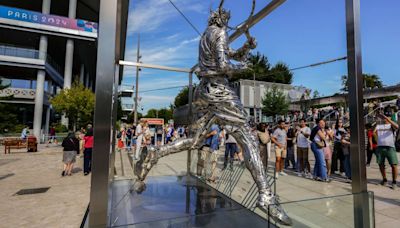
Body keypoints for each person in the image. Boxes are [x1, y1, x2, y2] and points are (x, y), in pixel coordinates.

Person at [133, 6, 291, 225]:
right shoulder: (221, 32)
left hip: (202, 91)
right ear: (224, 18)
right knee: (248, 138)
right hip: (218, 90)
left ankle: (155, 152)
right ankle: (265, 195)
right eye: (228, 19)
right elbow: (225, 65)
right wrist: (243, 67)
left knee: (196, 140)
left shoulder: (207, 34)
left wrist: (246, 47)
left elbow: (227, 54)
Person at [374, 112, 399, 189]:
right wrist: (377, 120)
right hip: (380, 147)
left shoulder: (391, 126)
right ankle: (384, 180)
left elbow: (397, 126)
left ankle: (394, 182)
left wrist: (387, 118)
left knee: (394, 165)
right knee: (380, 164)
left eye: (387, 117)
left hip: (390, 147)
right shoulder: (379, 126)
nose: (385, 119)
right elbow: (373, 132)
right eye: (384, 117)